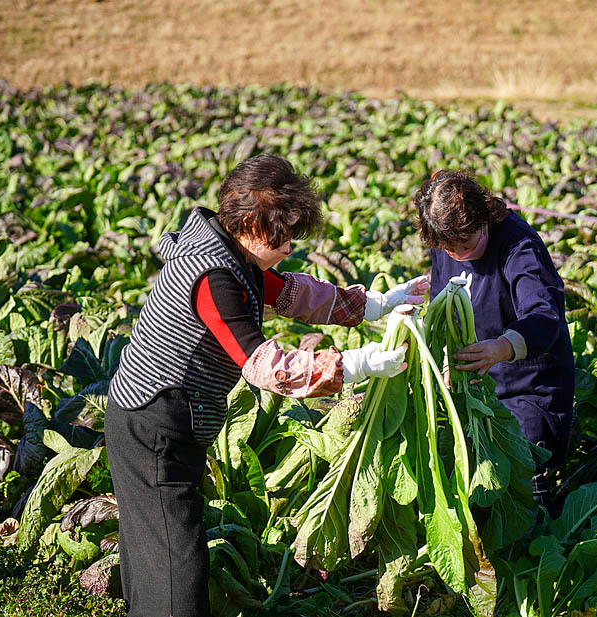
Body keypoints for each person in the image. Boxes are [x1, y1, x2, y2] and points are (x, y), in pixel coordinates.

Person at [105, 154, 428, 617]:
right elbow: (264, 366)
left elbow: (292, 294)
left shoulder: (231, 253)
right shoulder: (213, 276)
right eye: (285, 234)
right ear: (253, 223)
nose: (291, 245)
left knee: (156, 547)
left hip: (160, 419)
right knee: (177, 568)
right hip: (154, 426)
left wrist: (375, 304)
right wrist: (353, 365)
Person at [414, 170, 575, 515]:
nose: (457, 255)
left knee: (524, 469)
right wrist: (445, 358)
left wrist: (502, 348)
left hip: (528, 385)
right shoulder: (448, 244)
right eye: (449, 249)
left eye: (466, 246)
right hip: (476, 384)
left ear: (484, 219)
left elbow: (545, 315)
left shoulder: (518, 245)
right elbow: (443, 300)